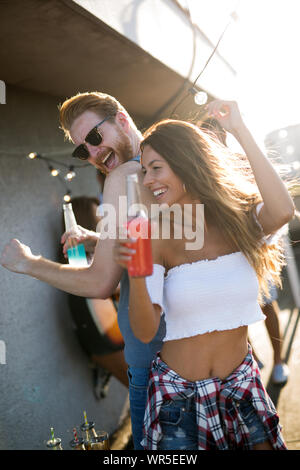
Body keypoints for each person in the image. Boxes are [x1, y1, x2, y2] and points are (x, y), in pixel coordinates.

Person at [114, 99, 295, 450]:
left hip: (243, 387)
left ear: (185, 165)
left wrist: (239, 129)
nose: (148, 180)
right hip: (178, 401)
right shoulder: (154, 235)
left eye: (156, 168)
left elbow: (283, 209)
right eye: (144, 172)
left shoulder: (239, 221)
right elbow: (146, 329)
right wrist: (136, 273)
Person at [0, 91, 165, 450]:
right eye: (82, 150)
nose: (92, 154)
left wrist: (29, 263)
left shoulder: (123, 177)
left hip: (159, 369)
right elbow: (160, 245)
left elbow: (99, 281)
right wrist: (97, 240)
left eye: (94, 137)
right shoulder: (163, 164)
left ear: (122, 118)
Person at [200, 117, 290, 385]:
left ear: (222, 134)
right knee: (232, 309)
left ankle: (280, 360)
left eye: (212, 134)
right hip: (224, 249)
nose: (209, 140)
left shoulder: (241, 162)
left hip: (254, 243)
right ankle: (252, 356)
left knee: (265, 303)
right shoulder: (203, 170)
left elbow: (265, 201)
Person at [60, 196, 128, 390]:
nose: (104, 220)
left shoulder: (104, 249)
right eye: (99, 215)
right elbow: (100, 285)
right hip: (105, 337)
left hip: (117, 332)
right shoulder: (79, 256)